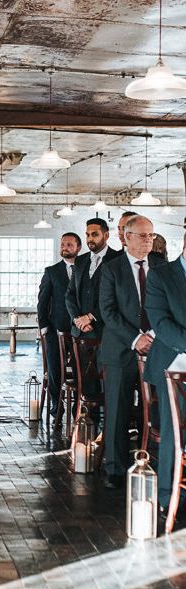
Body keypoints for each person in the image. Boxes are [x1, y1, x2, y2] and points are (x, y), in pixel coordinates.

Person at [99, 216, 161, 489]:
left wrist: (154, 336)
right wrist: (135, 338)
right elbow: (108, 311)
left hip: (158, 349)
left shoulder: (161, 266)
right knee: (117, 408)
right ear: (126, 236)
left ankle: (157, 463)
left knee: (158, 410)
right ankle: (114, 468)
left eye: (151, 235)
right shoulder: (111, 269)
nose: (149, 240)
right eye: (143, 235)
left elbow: (169, 304)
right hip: (121, 349)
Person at [144, 231, 186, 515]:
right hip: (173, 364)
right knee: (176, 429)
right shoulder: (161, 276)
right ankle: (167, 494)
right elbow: (161, 322)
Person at [37, 232, 81, 426]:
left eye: (70, 244)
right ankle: (57, 406)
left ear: (78, 248)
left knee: (82, 370)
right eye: (63, 244)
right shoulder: (52, 271)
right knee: (55, 368)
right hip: (55, 330)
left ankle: (78, 407)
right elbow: (42, 301)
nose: (65, 247)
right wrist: (44, 327)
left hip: (80, 331)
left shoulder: (86, 269)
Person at [65, 217, 119, 339]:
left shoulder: (117, 259)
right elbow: (70, 295)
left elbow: (116, 298)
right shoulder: (79, 260)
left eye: (95, 235)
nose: (90, 239)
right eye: (87, 235)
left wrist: (90, 317)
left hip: (106, 332)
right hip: (80, 332)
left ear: (106, 235)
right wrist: (78, 320)